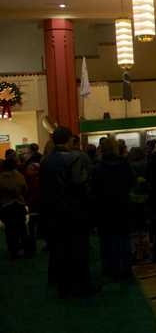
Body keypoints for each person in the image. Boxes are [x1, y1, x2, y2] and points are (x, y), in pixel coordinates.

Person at [39, 126, 96, 297]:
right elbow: (80, 184)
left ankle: (63, 287)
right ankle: (81, 286)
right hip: (74, 211)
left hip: (54, 212)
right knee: (78, 250)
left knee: (61, 250)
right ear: (68, 140)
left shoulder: (46, 161)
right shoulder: (73, 158)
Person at [93, 137, 134, 280]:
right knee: (123, 239)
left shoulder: (98, 167)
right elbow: (131, 183)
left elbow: (94, 190)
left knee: (107, 240)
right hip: (122, 206)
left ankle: (110, 269)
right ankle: (126, 269)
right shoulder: (124, 164)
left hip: (104, 208)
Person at [0, 151, 30, 259]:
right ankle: (26, 250)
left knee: (10, 230)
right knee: (22, 228)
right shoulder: (19, 176)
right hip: (19, 205)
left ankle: (13, 251)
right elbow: (25, 189)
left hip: (6, 206)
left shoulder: (1, 178)